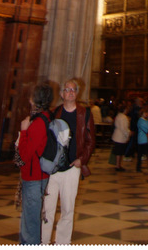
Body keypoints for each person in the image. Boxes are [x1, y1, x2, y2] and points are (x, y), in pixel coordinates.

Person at [41, 79, 95, 245]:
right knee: (47, 209)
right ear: (62, 94)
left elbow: (90, 140)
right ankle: (43, 241)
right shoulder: (54, 113)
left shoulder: (84, 113)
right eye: (67, 89)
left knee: (67, 209)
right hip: (53, 169)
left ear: (77, 93)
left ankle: (62, 243)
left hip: (72, 168)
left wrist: (82, 159)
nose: (70, 92)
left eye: (73, 89)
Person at [16, 82, 53, 245]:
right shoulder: (45, 117)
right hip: (37, 174)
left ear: (35, 99)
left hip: (34, 176)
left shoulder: (39, 123)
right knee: (28, 218)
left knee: (30, 221)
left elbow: (24, 155)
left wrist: (24, 131)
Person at [136, 107, 148, 171]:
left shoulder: (143, 120)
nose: (146, 114)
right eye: (145, 113)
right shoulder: (141, 121)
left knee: (141, 154)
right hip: (143, 140)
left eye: (147, 113)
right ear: (142, 114)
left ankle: (139, 167)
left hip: (142, 139)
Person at [112, 103, 130, 171]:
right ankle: (118, 165)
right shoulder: (123, 117)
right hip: (120, 137)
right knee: (119, 152)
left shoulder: (118, 115)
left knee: (118, 152)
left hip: (117, 135)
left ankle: (118, 165)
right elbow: (124, 128)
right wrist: (127, 134)